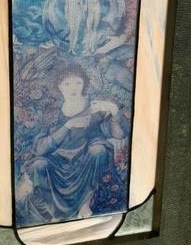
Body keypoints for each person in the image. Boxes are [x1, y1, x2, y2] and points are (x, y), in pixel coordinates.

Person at [16, 65, 125, 226]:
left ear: (84, 84)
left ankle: (85, 202)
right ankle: (54, 212)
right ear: (59, 86)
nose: (73, 88)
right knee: (38, 165)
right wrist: (67, 126)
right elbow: (40, 148)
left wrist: (114, 112)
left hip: (85, 158)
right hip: (57, 160)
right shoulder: (52, 111)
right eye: (67, 84)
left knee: (98, 151)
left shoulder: (95, 106)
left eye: (77, 83)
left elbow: (118, 135)